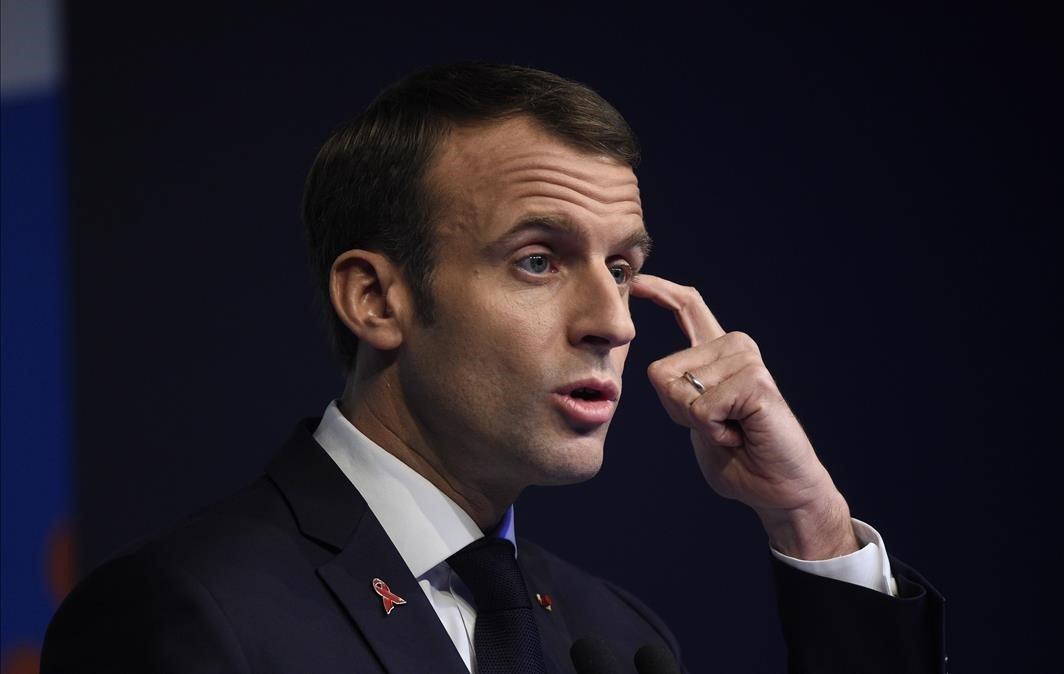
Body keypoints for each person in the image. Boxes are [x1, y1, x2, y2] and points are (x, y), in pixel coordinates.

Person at [41, 62, 945, 673]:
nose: (612, 322)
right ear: (376, 301)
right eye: (539, 260)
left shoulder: (619, 639)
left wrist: (812, 525)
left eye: (623, 267)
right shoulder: (189, 614)